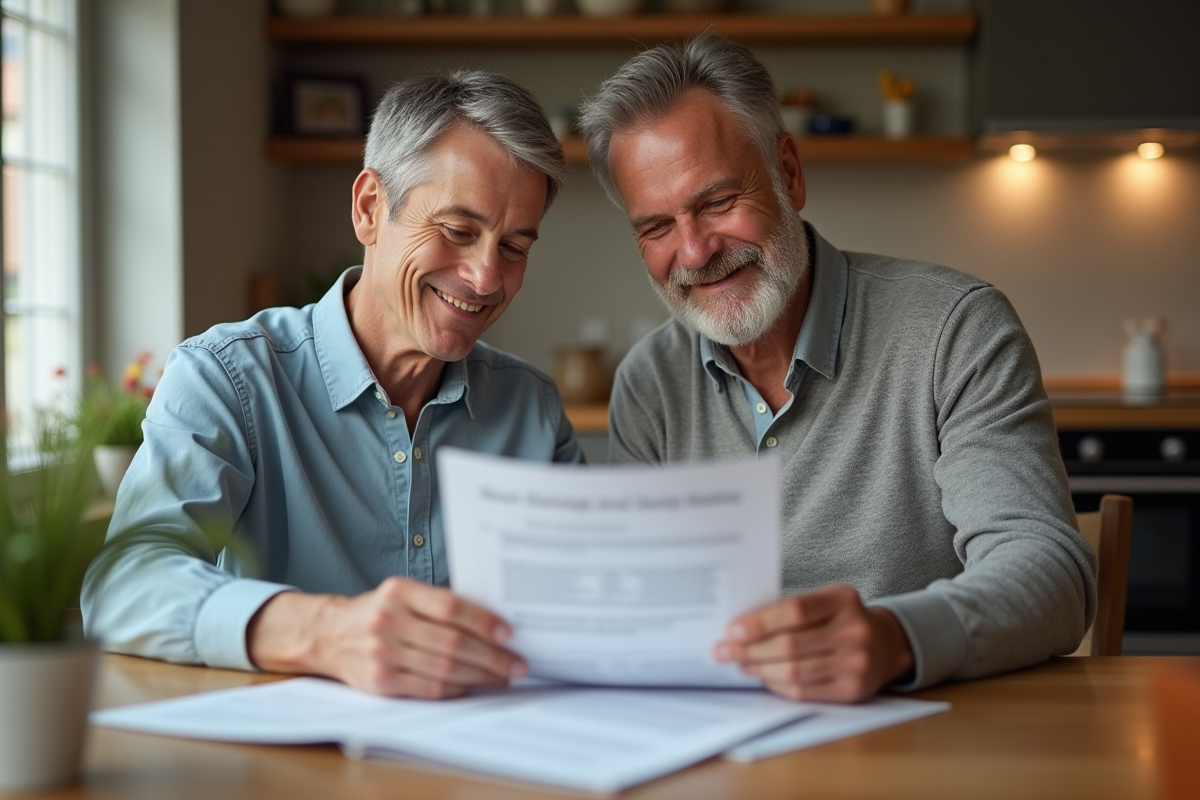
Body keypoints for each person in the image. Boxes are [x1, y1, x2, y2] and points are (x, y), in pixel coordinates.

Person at [577, 34, 1095, 702]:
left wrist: (893, 639)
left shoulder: (956, 328)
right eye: (656, 228)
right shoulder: (648, 385)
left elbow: (1051, 573)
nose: (696, 250)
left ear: (788, 173)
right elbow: (638, 612)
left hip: (923, 743)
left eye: (716, 202)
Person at [83, 71, 580, 700]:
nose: (486, 277)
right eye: (457, 231)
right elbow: (123, 586)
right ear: (370, 207)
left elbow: (588, 606)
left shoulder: (532, 410)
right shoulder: (225, 379)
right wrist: (327, 632)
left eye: (514, 246)